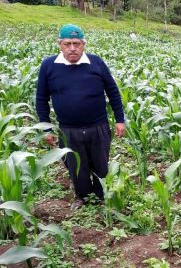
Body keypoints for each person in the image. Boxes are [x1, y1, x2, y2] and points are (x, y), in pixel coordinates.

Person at [36, 24, 126, 207]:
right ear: (59, 44)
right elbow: (41, 99)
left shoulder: (96, 63)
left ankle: (100, 197)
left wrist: (119, 119)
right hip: (68, 129)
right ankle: (83, 197)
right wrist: (46, 128)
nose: (72, 48)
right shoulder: (48, 66)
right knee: (77, 167)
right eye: (67, 43)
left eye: (76, 43)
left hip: (98, 126)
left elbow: (113, 92)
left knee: (101, 165)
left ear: (83, 44)